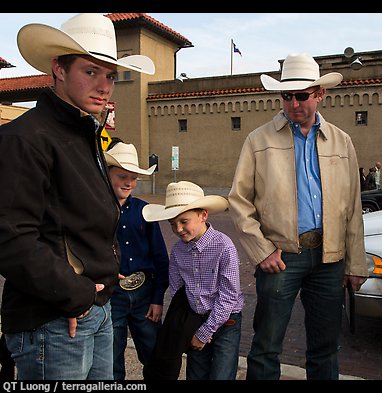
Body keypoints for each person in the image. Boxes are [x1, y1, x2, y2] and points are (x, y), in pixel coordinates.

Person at [0, 13, 155, 380]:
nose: (105, 86)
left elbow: (75, 219)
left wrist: (104, 268)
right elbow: (3, 236)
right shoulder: (24, 138)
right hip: (56, 320)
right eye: (91, 72)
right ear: (58, 68)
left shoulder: (82, 133)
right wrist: (74, 293)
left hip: (95, 307)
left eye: (109, 75)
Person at [228, 53, 368, 380]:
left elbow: (352, 207)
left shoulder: (342, 142)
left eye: (302, 95)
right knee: (265, 347)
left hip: (330, 258)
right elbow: (238, 200)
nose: (293, 103)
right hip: (281, 257)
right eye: (286, 95)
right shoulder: (258, 140)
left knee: (325, 346)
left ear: (320, 94)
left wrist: (355, 263)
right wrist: (261, 251)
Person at [142, 181, 245, 380]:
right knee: (196, 373)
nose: (178, 229)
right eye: (172, 224)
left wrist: (204, 332)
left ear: (203, 215)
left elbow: (229, 296)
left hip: (226, 322)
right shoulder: (179, 250)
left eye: (184, 221)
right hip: (194, 319)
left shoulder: (224, 247)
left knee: (221, 375)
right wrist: (190, 324)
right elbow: (177, 290)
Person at [104, 142, 170, 380]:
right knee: (110, 359)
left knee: (154, 354)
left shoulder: (145, 211)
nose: (128, 183)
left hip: (145, 294)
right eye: (122, 176)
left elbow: (161, 257)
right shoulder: (96, 210)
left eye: (133, 178)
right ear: (107, 172)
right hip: (112, 297)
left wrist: (157, 298)